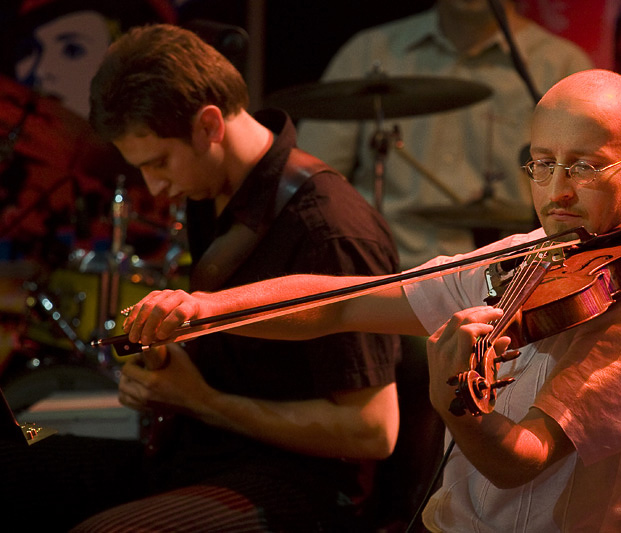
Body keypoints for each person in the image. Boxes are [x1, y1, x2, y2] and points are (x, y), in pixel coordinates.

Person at [125, 69, 621, 531]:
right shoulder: (536, 252)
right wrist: (206, 311)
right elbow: (346, 303)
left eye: (584, 166)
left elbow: (519, 461)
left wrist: (454, 406)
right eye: (542, 164)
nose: (556, 191)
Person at [0, 23, 401, 532]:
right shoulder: (213, 191)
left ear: (209, 124)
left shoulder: (330, 231)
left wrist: (200, 401)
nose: (155, 187)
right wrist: (166, 362)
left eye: (159, 163)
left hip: (307, 487)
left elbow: (373, 431)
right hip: (210, 455)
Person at [296, 0, 593, 269]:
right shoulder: (370, 51)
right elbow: (313, 183)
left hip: (507, 271)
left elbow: (590, 197)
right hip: (383, 269)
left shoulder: (562, 64)